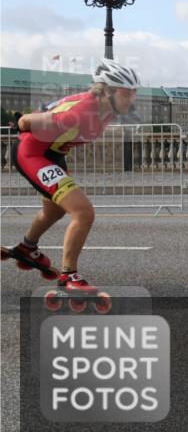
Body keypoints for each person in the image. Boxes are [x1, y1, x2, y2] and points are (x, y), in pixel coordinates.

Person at [6, 59, 140, 293]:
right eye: (127, 93)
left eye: (134, 93)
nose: (132, 99)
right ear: (107, 91)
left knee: (54, 211)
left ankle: (26, 248)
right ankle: (68, 275)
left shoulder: (107, 111)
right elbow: (25, 121)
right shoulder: (80, 113)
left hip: (53, 154)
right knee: (83, 212)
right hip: (33, 153)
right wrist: (22, 121)